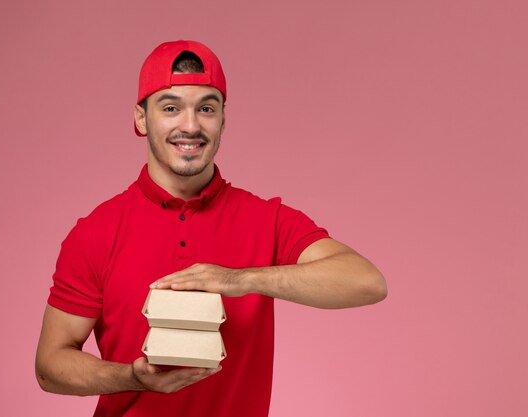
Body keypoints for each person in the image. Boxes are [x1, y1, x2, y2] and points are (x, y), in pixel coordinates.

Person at [35, 40, 387, 417]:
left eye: (206, 108)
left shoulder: (266, 219)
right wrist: (131, 376)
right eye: (171, 108)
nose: (190, 125)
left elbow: (366, 282)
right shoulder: (96, 232)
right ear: (141, 118)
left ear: (223, 119)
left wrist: (242, 279)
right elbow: (51, 365)